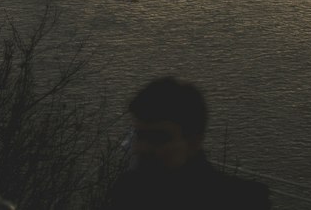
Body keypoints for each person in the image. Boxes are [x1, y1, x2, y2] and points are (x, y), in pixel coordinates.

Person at [104, 76, 270, 210]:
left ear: (193, 142)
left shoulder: (245, 201)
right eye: (140, 136)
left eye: (158, 138)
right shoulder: (127, 191)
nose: (144, 148)